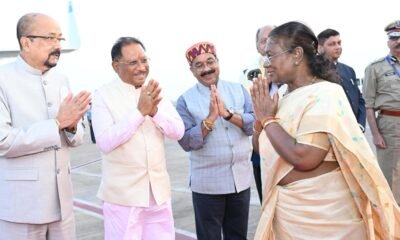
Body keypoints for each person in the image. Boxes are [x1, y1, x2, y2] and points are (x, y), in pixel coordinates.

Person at [251, 21, 400, 239]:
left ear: (297, 54)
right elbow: (260, 149)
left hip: (325, 219)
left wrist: (268, 120)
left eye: (271, 55)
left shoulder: (326, 94)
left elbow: (305, 157)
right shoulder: (282, 99)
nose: (266, 64)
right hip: (287, 215)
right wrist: (260, 121)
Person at [0, 13, 91, 240]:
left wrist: (71, 127)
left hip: (63, 205)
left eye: (60, 39)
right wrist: (58, 123)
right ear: (26, 42)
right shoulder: (3, 79)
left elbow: (77, 136)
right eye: (50, 38)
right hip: (22, 208)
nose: (58, 46)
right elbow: (3, 141)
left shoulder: (61, 79)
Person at [92, 37, 184, 240]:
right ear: (116, 66)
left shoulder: (155, 90)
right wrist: (139, 113)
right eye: (133, 62)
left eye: (144, 60)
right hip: (123, 198)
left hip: (158, 194)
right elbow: (104, 142)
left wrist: (155, 112)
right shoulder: (103, 95)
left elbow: (178, 131)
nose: (141, 67)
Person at [176, 41, 255, 240]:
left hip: (240, 181)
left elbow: (253, 125)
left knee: (237, 236)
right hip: (207, 185)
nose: (206, 69)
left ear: (218, 62)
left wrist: (228, 115)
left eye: (210, 62)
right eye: (199, 65)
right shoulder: (185, 100)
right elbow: (186, 142)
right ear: (191, 70)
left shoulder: (239, 90)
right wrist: (210, 119)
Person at [363, 20, 400, 205]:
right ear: (388, 41)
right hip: (389, 124)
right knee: (390, 175)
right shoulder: (375, 68)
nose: (398, 41)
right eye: (395, 37)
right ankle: (392, 222)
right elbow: (368, 104)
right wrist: (376, 134)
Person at [241, 25, 277, 203]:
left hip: (289, 150)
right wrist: (266, 82)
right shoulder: (249, 72)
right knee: (268, 202)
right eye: (264, 40)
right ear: (257, 47)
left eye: (272, 38)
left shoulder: (290, 70)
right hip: (261, 148)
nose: (268, 43)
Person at [318, 28, 366, 132]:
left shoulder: (348, 70)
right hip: (331, 130)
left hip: (354, 129)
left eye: (339, 43)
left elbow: (359, 99)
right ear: (320, 48)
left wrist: (360, 124)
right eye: (332, 44)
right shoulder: (314, 71)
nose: (338, 47)